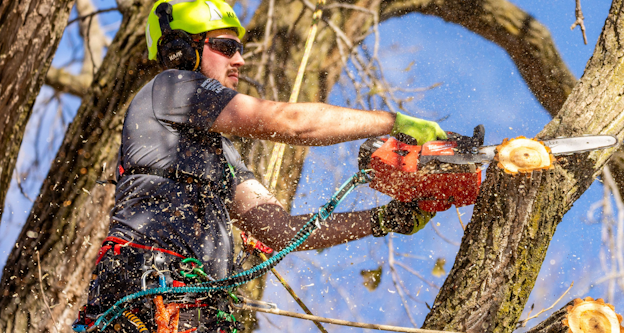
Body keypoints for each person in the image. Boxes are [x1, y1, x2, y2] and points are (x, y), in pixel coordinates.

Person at [73, 0, 445, 331]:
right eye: (225, 47)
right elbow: (289, 122)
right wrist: (390, 122)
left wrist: (386, 219)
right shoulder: (171, 87)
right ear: (182, 51)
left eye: (239, 48)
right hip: (145, 285)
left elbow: (280, 230)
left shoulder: (222, 154)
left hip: (198, 307)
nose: (240, 59)